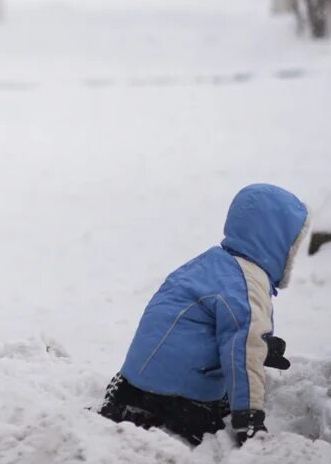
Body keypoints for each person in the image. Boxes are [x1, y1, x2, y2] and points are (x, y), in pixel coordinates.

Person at [99, 183, 309, 446]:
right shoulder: (247, 281)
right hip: (185, 398)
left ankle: (134, 401)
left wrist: (262, 347)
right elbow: (242, 349)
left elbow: (190, 326)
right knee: (218, 430)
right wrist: (249, 417)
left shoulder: (208, 264)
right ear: (278, 242)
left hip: (134, 381)